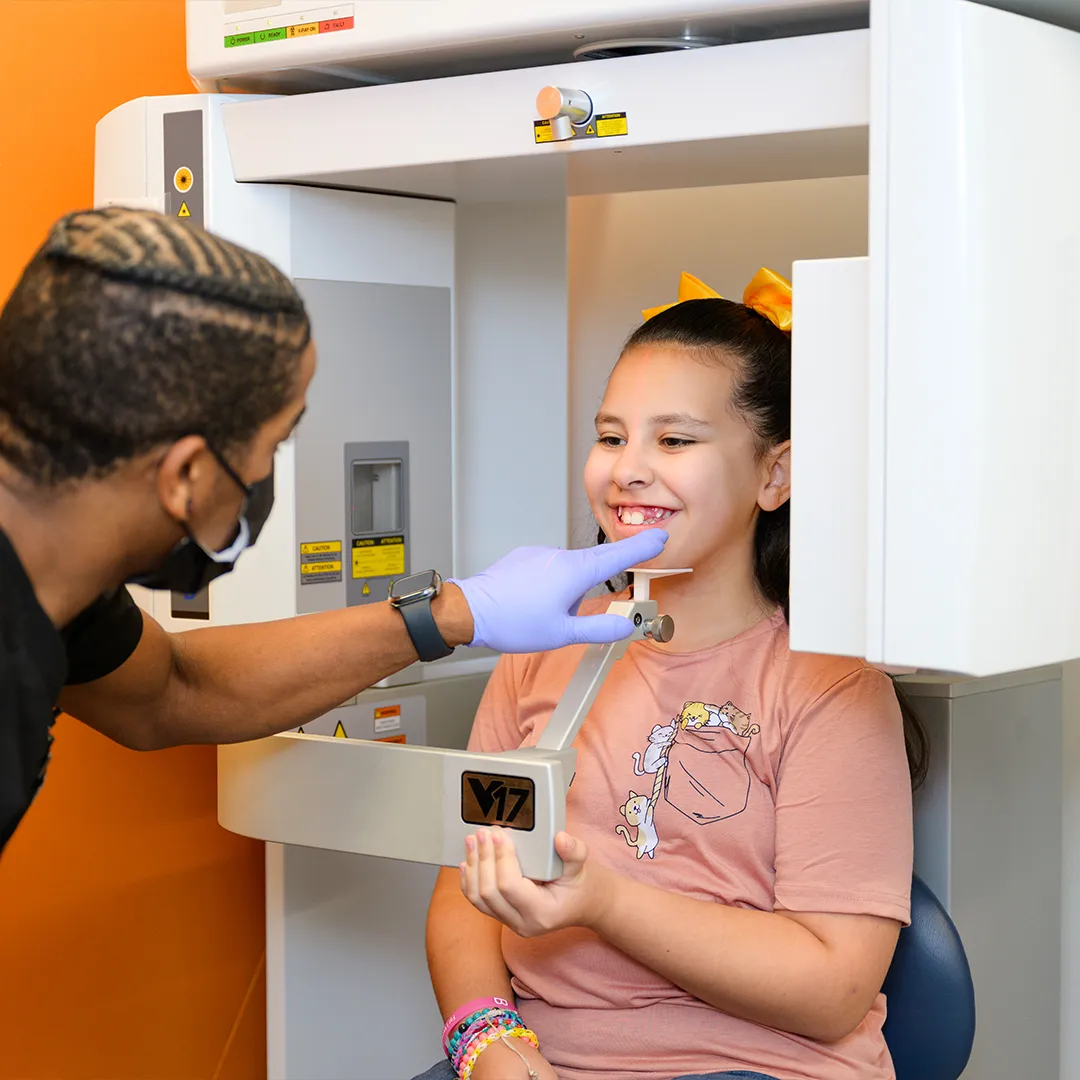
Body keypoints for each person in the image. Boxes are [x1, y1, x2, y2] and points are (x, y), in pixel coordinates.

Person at [0, 207, 667, 856]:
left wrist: (457, 611)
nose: (265, 476)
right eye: (274, 445)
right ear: (187, 476)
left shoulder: (62, 585)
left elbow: (174, 689)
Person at [420, 271, 927, 1080]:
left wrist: (605, 902)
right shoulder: (542, 645)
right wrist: (488, 1041)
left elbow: (834, 987)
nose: (628, 469)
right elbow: (465, 883)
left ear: (775, 475)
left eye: (676, 441)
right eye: (611, 437)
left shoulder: (829, 685)